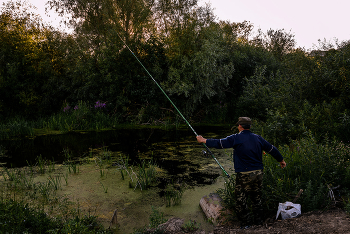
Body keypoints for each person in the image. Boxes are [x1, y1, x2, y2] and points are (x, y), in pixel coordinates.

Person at [196, 117, 286, 228]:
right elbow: (272, 149)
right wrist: (281, 160)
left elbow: (219, 143)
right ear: (250, 127)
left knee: (240, 200)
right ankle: (259, 222)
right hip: (258, 173)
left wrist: (203, 140)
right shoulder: (258, 138)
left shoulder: (236, 138)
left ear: (240, 126)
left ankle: (246, 224)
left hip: (244, 174)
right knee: (256, 198)